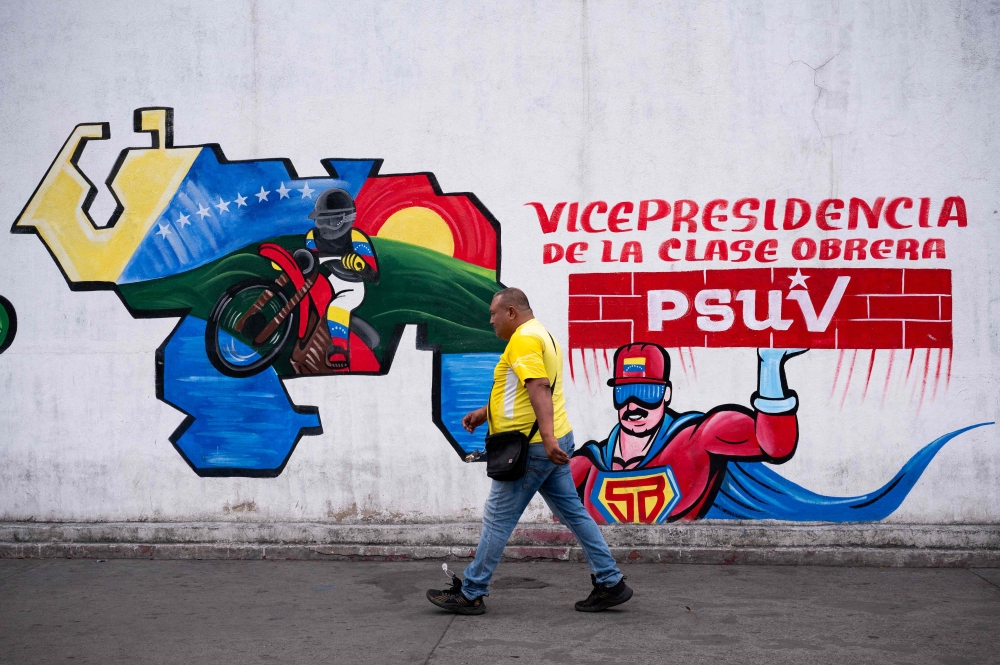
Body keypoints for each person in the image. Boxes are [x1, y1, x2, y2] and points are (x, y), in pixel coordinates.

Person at [426, 288, 633, 615]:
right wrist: (485, 412)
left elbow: (538, 386)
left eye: (494, 313)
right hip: (549, 442)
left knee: (497, 518)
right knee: (574, 514)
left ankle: (471, 591)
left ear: (511, 312)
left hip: (531, 448)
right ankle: (610, 582)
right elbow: (521, 390)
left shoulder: (523, 339)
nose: (490, 320)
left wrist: (547, 438)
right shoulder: (542, 335)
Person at [571, 343, 805, 523]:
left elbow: (775, 446)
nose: (633, 405)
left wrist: (770, 367)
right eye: (624, 393)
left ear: (667, 394)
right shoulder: (592, 462)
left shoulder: (693, 439)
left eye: (646, 392)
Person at [301, 188, 378, 370]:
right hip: (328, 280)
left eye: (332, 220)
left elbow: (374, 275)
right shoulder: (313, 236)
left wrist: (359, 264)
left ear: (345, 219)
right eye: (322, 220)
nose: (326, 226)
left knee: (337, 307)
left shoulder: (356, 237)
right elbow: (310, 264)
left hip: (351, 286)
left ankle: (339, 349)